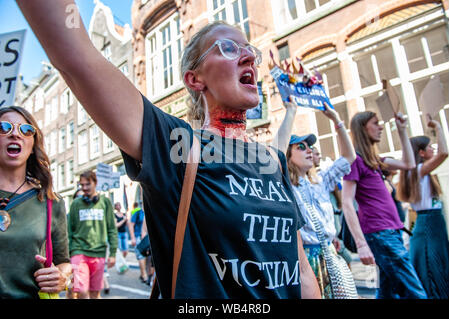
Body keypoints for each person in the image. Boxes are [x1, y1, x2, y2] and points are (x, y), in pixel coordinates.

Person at [17, 0, 321, 298]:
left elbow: (302, 270)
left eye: (250, 51)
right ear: (194, 79)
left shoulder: (273, 161)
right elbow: (76, 56)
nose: (248, 58)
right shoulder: (176, 146)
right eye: (229, 48)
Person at [341, 110, 427, 299]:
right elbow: (346, 202)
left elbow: (408, 163)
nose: (380, 127)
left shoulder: (376, 162)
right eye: (375, 123)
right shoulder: (356, 161)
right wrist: (361, 244)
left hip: (390, 231)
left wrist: (402, 130)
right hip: (380, 233)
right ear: (363, 128)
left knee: (388, 291)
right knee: (415, 291)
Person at [285, 103, 356, 298]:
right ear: (288, 156)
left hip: (331, 254)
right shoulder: (285, 187)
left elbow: (349, 156)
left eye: (310, 147)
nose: (309, 150)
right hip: (306, 262)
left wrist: (335, 119)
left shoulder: (321, 180)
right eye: (301, 147)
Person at [0, 106, 71, 299]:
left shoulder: (51, 202)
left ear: (33, 145)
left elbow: (63, 261)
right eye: (4, 127)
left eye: (26, 130)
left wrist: (62, 278)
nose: (15, 134)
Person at [397, 118, 449, 299]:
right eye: (429, 147)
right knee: (432, 269)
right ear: (421, 152)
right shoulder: (417, 170)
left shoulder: (421, 172)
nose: (433, 149)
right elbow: (444, 152)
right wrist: (438, 127)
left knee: (439, 266)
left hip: (433, 223)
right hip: (428, 224)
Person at [67, 170, 118, 299]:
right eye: (82, 185)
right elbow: (69, 230)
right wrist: (67, 253)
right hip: (79, 252)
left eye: (87, 184)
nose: (84, 188)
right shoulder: (75, 204)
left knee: (95, 293)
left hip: (99, 253)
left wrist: (112, 253)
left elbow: (112, 228)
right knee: (82, 291)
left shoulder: (105, 203)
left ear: (95, 183)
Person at [129, 202, 149, 284]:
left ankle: (143, 274)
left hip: (147, 238)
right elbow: (130, 225)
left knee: (147, 257)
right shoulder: (138, 213)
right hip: (138, 237)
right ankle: (144, 275)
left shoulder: (149, 211)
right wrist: (133, 238)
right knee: (141, 256)